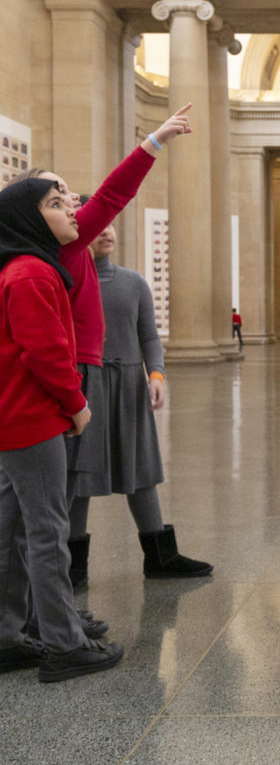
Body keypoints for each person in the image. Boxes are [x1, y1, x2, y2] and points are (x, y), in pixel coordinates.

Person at [12, 104, 195, 588]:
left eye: (70, 195)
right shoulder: (54, 253)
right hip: (75, 379)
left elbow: (146, 334)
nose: (73, 203)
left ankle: (57, 599)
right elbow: (113, 194)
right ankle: (56, 599)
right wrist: (153, 142)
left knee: (89, 481)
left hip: (98, 376)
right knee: (66, 489)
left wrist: (152, 374)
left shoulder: (73, 257)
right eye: (58, 196)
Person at [0, 178, 123, 681]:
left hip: (15, 417)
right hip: (32, 417)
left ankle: (7, 636)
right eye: (55, 204)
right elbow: (46, 352)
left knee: (10, 530)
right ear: (30, 219)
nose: (73, 209)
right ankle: (64, 645)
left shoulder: (21, 267)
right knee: (49, 532)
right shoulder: (31, 273)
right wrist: (76, 404)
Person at [71, 224, 212, 580]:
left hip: (129, 386)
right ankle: (72, 567)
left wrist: (157, 375)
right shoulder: (68, 281)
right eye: (96, 226)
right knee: (80, 475)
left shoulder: (133, 282)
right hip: (85, 386)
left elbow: (148, 335)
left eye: (110, 224)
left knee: (141, 472)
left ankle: (161, 558)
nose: (106, 232)